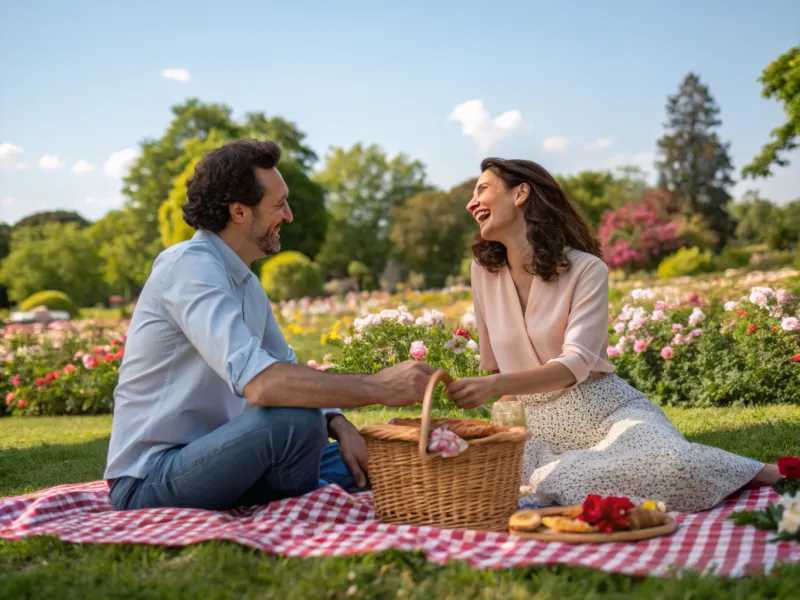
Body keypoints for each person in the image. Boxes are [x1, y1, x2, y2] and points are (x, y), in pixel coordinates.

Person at [104, 139, 436, 511]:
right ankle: (318, 490)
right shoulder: (189, 266)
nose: (290, 215)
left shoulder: (245, 284)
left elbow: (286, 367)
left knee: (379, 456)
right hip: (150, 480)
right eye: (279, 205)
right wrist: (380, 387)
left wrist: (341, 425)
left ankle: (331, 484)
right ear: (239, 212)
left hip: (217, 459)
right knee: (295, 420)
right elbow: (261, 384)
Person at [445, 157, 780, 512]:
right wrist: (503, 424)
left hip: (603, 411)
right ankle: (560, 480)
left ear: (521, 193)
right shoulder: (483, 272)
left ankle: (761, 473)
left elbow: (575, 362)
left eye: (482, 189)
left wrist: (496, 387)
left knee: (673, 466)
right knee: (506, 475)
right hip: (535, 427)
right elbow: (496, 369)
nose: (471, 203)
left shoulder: (586, 269)